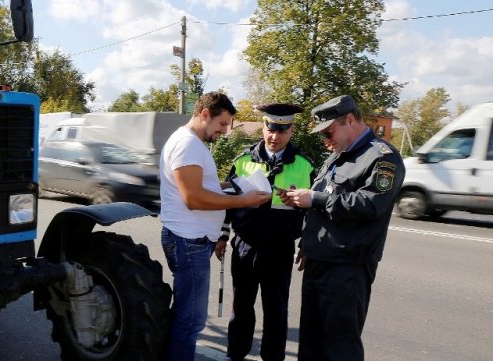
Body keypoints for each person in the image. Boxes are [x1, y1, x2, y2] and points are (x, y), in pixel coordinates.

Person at [279, 95, 405, 361]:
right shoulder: (336, 156)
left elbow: (372, 204)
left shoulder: (382, 158)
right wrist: (307, 239)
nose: (326, 140)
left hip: (348, 266)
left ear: (349, 120)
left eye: (329, 132)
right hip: (318, 259)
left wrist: (316, 199)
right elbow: (321, 200)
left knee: (340, 345)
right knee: (312, 341)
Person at [159, 92, 271, 361]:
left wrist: (232, 186)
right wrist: (243, 200)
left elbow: (199, 186)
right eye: (222, 124)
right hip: (189, 241)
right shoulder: (188, 145)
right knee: (191, 321)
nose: (225, 131)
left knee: (185, 313)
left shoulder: (192, 143)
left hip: (190, 239)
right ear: (205, 114)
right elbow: (193, 198)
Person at [223, 104, 315, 361]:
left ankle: (273, 357)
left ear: (291, 131)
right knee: (241, 306)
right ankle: (235, 353)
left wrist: (306, 244)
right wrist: (222, 236)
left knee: (276, 309)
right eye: (270, 129)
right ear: (263, 126)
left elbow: (313, 212)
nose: (274, 137)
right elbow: (228, 202)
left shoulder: (304, 166)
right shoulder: (243, 162)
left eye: (282, 131)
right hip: (244, 244)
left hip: (279, 248)